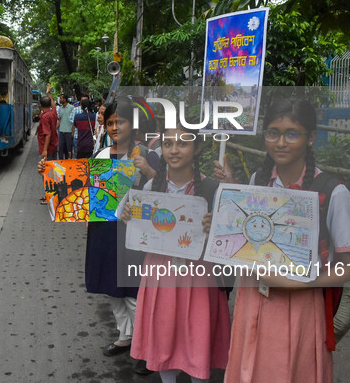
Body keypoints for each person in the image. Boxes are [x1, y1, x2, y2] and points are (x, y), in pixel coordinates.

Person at [216, 98, 350, 383]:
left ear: (311, 138)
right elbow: (245, 238)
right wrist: (222, 226)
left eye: (292, 133)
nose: (280, 142)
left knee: (290, 372)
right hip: (251, 297)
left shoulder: (333, 192)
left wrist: (298, 282)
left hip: (300, 304)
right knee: (248, 369)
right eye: (273, 132)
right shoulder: (258, 180)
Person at [37, 98, 153, 372]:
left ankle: (145, 346)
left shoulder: (146, 155)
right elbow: (82, 186)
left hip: (135, 234)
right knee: (112, 288)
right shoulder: (100, 155)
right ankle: (125, 336)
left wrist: (148, 170)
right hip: (104, 230)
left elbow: (162, 189)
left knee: (135, 293)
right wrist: (48, 171)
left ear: (131, 125)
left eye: (120, 122)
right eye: (111, 122)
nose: (114, 127)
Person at [122, 125, 231, 382]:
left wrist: (216, 226)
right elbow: (141, 231)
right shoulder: (151, 187)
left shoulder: (214, 189)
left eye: (182, 144)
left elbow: (228, 238)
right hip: (161, 276)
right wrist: (130, 217)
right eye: (168, 144)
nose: (174, 150)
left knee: (198, 340)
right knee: (164, 338)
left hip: (200, 277)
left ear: (197, 148)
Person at [37, 84, 58, 160]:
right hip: (54, 147)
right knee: (53, 170)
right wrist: (48, 93)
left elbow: (47, 134)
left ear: (40, 105)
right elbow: (54, 105)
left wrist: (45, 150)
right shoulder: (53, 113)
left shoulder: (45, 117)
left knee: (46, 171)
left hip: (47, 149)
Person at [57, 94, 74, 159]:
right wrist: (56, 128)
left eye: (61, 98)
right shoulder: (60, 108)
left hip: (69, 132)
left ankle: (68, 163)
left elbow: (73, 121)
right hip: (61, 132)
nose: (60, 100)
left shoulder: (71, 107)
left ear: (65, 99)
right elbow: (60, 120)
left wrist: (73, 132)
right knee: (60, 149)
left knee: (68, 150)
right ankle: (61, 163)